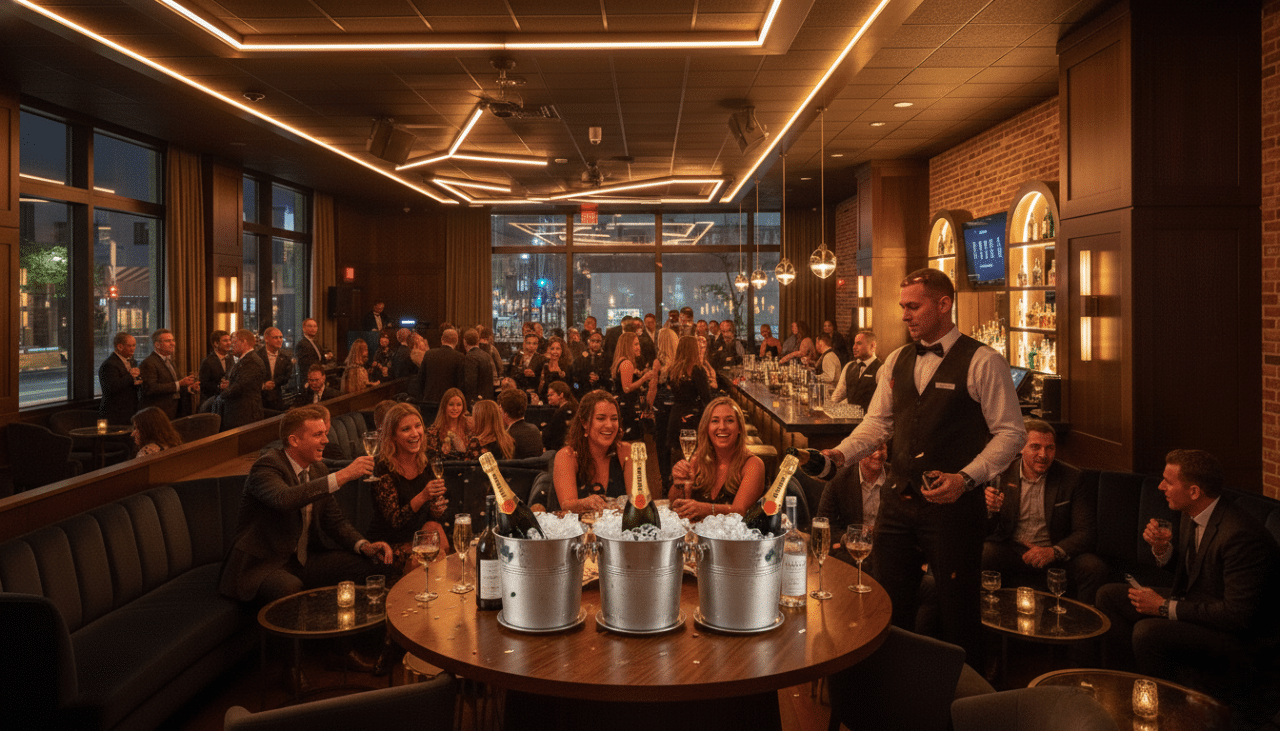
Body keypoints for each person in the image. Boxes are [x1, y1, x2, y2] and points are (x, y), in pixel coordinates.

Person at [820, 268, 1026, 663]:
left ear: (944, 304)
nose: (904, 315)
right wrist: (841, 454)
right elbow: (879, 423)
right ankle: (894, 694)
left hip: (954, 508)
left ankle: (965, 705)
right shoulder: (896, 359)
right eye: (902, 307)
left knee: (957, 611)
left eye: (913, 306)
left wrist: (967, 479)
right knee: (888, 605)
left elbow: (1011, 434)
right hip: (897, 503)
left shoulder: (984, 361)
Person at [1096, 450, 1280, 715]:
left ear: (1194, 491)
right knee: (1109, 596)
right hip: (1201, 605)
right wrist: (1162, 549)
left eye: (1168, 482)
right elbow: (1196, 571)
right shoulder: (1192, 512)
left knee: (1148, 632)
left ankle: (1169, 713)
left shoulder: (1240, 535)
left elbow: (1238, 616)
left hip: (1239, 638)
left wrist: (1163, 607)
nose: (1160, 487)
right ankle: (1127, 688)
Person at [218, 406, 391, 604]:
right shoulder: (267, 466)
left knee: (371, 565)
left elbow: (335, 522)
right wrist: (343, 475)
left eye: (325, 433)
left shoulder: (317, 468)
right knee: (289, 588)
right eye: (318, 434)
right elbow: (284, 499)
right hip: (263, 563)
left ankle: (357, 630)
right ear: (294, 440)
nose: (326, 440)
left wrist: (364, 545)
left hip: (302, 561)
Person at [983, 419, 1107, 603]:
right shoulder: (1001, 473)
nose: (1043, 454)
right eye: (1035, 447)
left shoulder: (1072, 478)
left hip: (1054, 553)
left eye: (1050, 448)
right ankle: (986, 618)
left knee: (1094, 567)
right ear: (1020, 448)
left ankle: (1081, 625)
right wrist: (989, 509)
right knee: (983, 553)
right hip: (1014, 550)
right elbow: (987, 528)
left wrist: (1053, 552)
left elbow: (1086, 532)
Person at [365, 402, 448, 576]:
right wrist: (423, 496)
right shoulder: (383, 469)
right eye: (406, 429)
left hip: (416, 534)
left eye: (418, 426)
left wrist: (436, 509)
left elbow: (430, 515)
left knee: (436, 530)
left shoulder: (426, 462)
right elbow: (395, 522)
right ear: (393, 436)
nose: (415, 433)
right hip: (389, 541)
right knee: (429, 555)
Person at [670, 396, 766, 521]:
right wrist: (678, 484)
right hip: (701, 536)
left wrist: (705, 509)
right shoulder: (698, 459)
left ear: (740, 429)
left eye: (729, 421)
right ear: (707, 427)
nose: (722, 427)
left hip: (735, 539)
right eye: (715, 421)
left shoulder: (753, 465)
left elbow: (739, 512)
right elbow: (674, 504)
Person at [552, 390, 634, 514]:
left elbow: (638, 501)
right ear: (584, 422)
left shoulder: (626, 451)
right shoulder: (566, 456)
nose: (609, 425)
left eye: (614, 419)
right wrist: (585, 503)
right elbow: (566, 505)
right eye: (601, 418)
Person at [816, 443, 888, 569]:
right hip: (851, 555)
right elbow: (823, 525)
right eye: (871, 449)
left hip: (889, 552)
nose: (877, 454)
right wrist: (849, 537)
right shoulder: (838, 479)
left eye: (881, 448)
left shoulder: (897, 478)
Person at [663, 335, 713, 474]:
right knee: (693, 454)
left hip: (676, 413)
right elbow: (706, 398)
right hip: (693, 415)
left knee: (678, 453)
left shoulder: (673, 370)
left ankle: (676, 483)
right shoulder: (697, 370)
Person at [139, 328, 198, 419]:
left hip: (176, 411)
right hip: (160, 413)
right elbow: (151, 388)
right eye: (168, 341)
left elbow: (176, 384)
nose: (173, 343)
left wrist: (189, 387)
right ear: (157, 345)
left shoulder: (170, 361)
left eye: (173, 340)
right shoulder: (149, 363)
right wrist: (180, 384)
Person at [611, 331, 656, 442]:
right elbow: (627, 388)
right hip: (628, 408)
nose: (638, 347)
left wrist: (639, 374)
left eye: (638, 344)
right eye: (635, 344)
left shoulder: (620, 361)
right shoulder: (627, 363)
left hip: (621, 405)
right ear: (627, 346)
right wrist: (644, 378)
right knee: (633, 440)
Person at [221, 329, 268, 431]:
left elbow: (241, 386)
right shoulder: (245, 360)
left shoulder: (252, 361)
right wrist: (230, 384)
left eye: (234, 342)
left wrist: (222, 394)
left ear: (244, 342)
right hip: (240, 413)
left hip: (244, 415)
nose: (231, 346)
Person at [831, 330, 881, 412]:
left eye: (859, 343)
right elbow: (837, 396)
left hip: (870, 420)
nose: (854, 347)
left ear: (872, 346)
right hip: (850, 419)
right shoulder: (849, 366)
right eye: (854, 343)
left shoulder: (881, 369)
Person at [414, 329, 466, 405]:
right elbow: (460, 383)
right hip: (449, 402)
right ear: (457, 341)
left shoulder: (429, 354)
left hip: (429, 400)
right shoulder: (460, 357)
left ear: (442, 339)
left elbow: (420, 379)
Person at [99, 332, 141, 425]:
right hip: (116, 412)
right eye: (130, 346)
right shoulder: (109, 364)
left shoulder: (132, 361)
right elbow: (111, 388)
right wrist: (131, 376)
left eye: (134, 345)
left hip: (131, 409)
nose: (133, 348)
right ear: (119, 347)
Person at [423, 388, 477, 459]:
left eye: (459, 405)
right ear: (444, 406)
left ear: (463, 406)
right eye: (451, 404)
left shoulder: (470, 426)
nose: (455, 408)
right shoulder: (434, 431)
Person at [498, 388, 544, 459]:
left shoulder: (507, 437)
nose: (499, 410)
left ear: (505, 412)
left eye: (500, 407)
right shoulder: (535, 430)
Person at [258, 327, 295, 412]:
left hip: (278, 398)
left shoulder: (286, 356)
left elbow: (287, 376)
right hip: (260, 399)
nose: (279, 340)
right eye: (275, 337)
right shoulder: (257, 356)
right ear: (266, 339)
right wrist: (263, 385)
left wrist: (275, 382)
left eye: (281, 337)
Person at [199, 330, 234, 405]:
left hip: (229, 401)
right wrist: (219, 386)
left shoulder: (231, 359)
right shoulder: (208, 362)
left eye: (229, 340)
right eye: (225, 341)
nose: (229, 343)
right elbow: (203, 385)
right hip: (212, 402)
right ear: (216, 344)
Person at [574, 330, 611, 398]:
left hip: (601, 392)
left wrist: (599, 378)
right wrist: (587, 377)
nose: (595, 344)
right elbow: (576, 375)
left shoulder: (606, 358)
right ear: (588, 341)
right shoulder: (581, 357)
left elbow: (609, 376)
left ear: (602, 342)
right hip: (583, 392)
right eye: (593, 341)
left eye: (598, 341)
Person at [542, 381, 576, 452]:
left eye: (551, 395)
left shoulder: (564, 411)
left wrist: (545, 427)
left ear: (561, 395)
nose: (549, 398)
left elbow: (554, 435)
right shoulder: (571, 407)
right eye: (548, 395)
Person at [537, 337, 571, 402]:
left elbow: (571, 386)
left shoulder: (567, 367)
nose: (555, 351)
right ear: (548, 350)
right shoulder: (542, 364)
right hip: (544, 400)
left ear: (562, 350)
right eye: (552, 349)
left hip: (561, 400)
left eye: (558, 349)